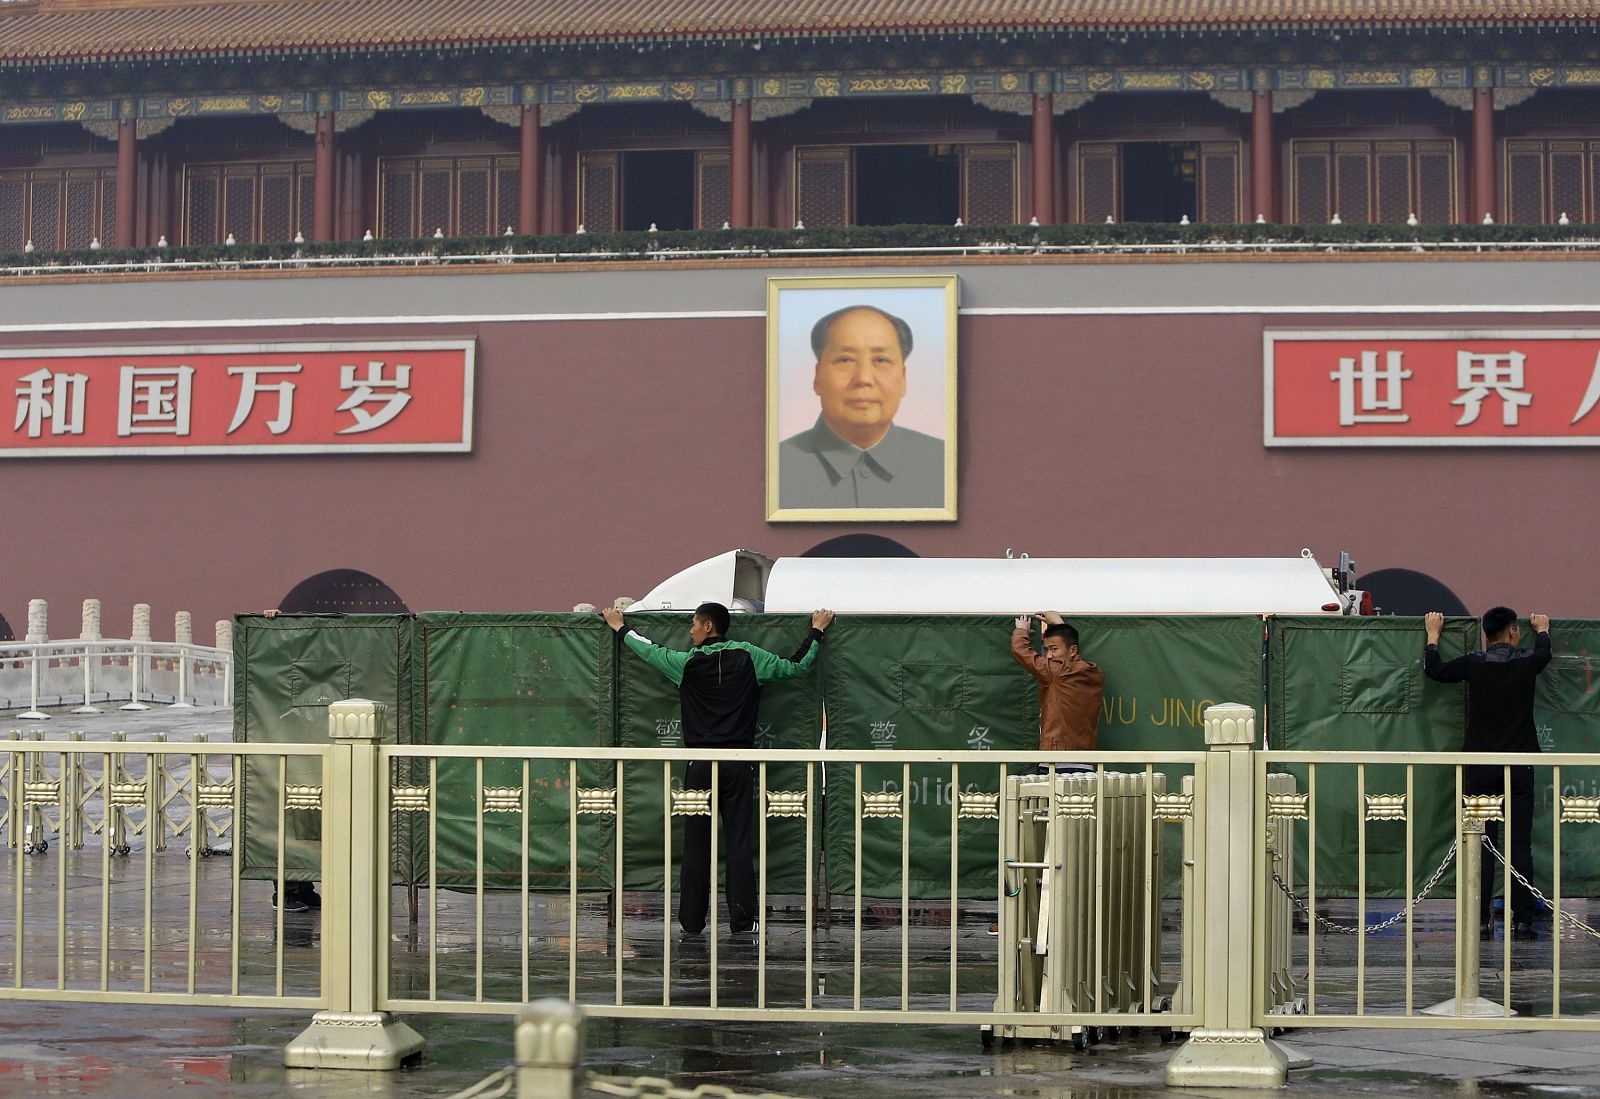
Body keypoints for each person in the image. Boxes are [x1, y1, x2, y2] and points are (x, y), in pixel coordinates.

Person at [604, 601, 834, 936]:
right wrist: (817, 630)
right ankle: (742, 920)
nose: (690, 630)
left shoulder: (685, 663)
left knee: (695, 845)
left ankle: (692, 922)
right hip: (739, 764)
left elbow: (648, 650)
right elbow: (796, 667)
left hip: (698, 765)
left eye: (694, 624)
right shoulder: (751, 656)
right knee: (739, 842)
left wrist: (619, 628)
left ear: (709, 626)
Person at [1424, 608, 1552, 940]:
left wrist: (1433, 635)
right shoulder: (1527, 664)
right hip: (1520, 766)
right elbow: (1544, 652)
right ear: (1512, 632)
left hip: (1480, 768)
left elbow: (1434, 670)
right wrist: (1542, 628)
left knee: (1480, 842)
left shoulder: (1473, 665)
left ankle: (1480, 920)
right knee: (1519, 844)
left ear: (1486, 635)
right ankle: (1523, 919)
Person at [777, 304, 944, 509]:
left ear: (903, 378)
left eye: (881, 360)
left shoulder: (944, 464)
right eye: (845, 360)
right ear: (817, 378)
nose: (863, 378)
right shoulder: (774, 467)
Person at [1010, 611, 1105, 770]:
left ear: (1073, 650)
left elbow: (1021, 651)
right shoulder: (1094, 674)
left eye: (1053, 649)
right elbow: (1070, 651)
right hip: (1085, 764)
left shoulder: (1056, 672)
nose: (1048, 656)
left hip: (1055, 760)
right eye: (1046, 650)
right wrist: (1059, 624)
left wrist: (1021, 630)